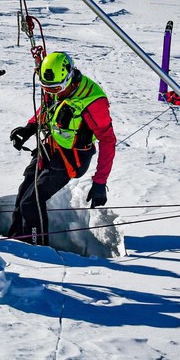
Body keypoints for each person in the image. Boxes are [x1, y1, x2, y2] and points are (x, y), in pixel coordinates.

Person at [7, 52, 116, 246]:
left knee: (31, 202)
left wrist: (100, 182)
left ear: (69, 78)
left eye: (56, 88)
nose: (52, 92)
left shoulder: (93, 102)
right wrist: (30, 127)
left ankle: (36, 248)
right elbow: (50, 108)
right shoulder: (57, 89)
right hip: (51, 148)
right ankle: (15, 240)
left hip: (72, 158)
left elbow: (108, 140)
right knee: (23, 192)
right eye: (46, 88)